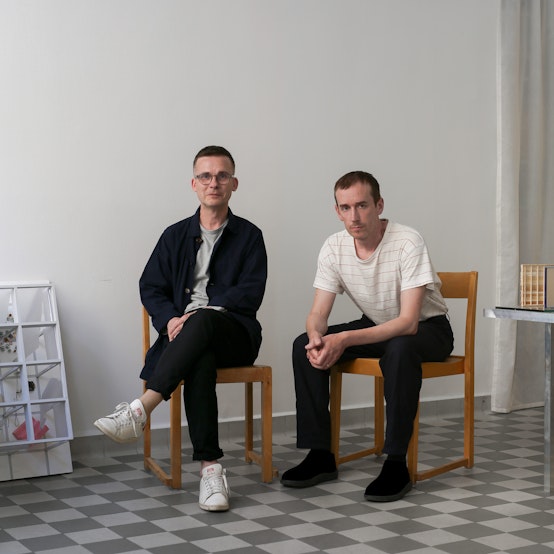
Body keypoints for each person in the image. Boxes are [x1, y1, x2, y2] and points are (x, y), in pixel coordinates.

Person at [94, 145, 267, 512]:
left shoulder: (250, 236)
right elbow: (150, 287)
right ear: (194, 183)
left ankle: (141, 410)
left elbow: (250, 293)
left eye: (222, 175)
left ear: (234, 183)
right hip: (184, 340)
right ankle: (211, 471)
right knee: (199, 358)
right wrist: (172, 319)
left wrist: (199, 314)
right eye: (205, 176)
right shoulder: (173, 236)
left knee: (202, 320)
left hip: (235, 335)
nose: (213, 183)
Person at [280, 170, 453, 502]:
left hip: (427, 329)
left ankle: (396, 463)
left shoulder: (408, 241)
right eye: (345, 208)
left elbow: (408, 323)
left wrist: (344, 339)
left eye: (362, 205)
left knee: (400, 349)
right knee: (303, 344)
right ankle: (320, 455)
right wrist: (317, 337)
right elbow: (318, 314)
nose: (354, 216)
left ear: (379, 205)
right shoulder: (334, 247)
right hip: (376, 324)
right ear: (337, 211)